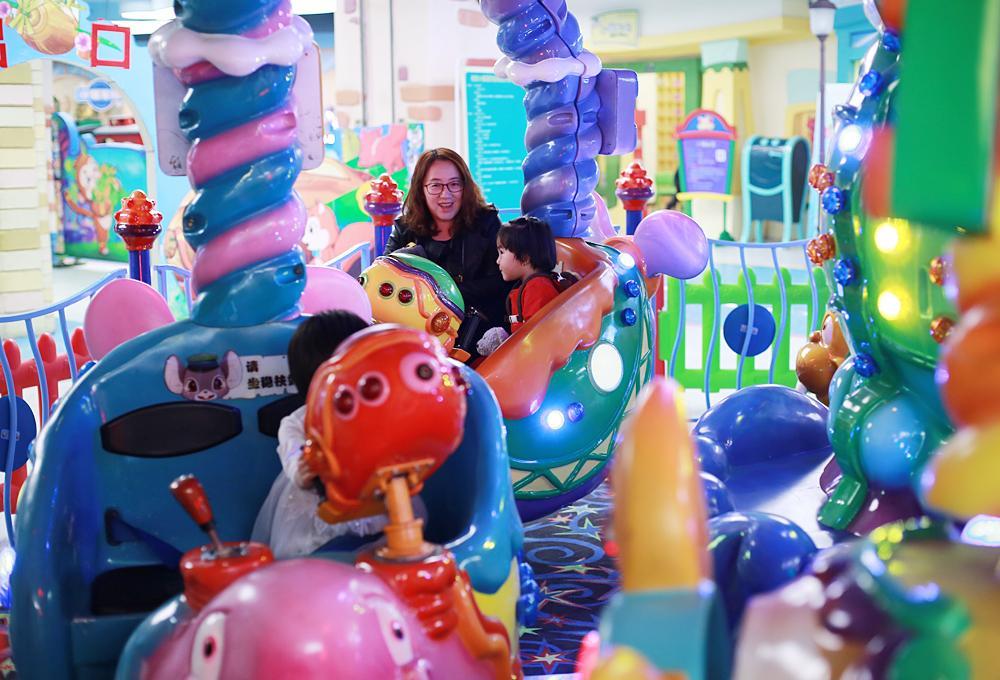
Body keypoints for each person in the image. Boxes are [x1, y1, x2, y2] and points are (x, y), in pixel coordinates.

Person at [252, 311, 389, 558]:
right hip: (315, 510)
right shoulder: (299, 422)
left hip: (373, 500)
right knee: (309, 557)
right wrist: (302, 469)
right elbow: (292, 452)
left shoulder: (375, 413)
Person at [384, 148, 512, 354]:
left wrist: (443, 295)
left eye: (454, 184)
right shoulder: (404, 229)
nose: (446, 194)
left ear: (465, 187)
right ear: (421, 189)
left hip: (479, 337)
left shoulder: (486, 222)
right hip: (418, 338)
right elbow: (384, 276)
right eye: (436, 185)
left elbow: (502, 281)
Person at [477, 216, 569, 356]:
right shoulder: (527, 285)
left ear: (525, 258)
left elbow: (537, 339)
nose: (497, 261)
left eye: (502, 253)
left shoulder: (538, 288)